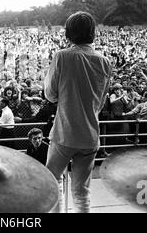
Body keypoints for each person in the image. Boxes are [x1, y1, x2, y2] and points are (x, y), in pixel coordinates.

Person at [44, 11, 111, 213]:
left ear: (68, 33)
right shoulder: (105, 61)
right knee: (82, 192)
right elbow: (101, 100)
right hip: (91, 134)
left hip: (65, 132)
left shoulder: (62, 57)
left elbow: (50, 94)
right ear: (92, 33)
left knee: (52, 180)